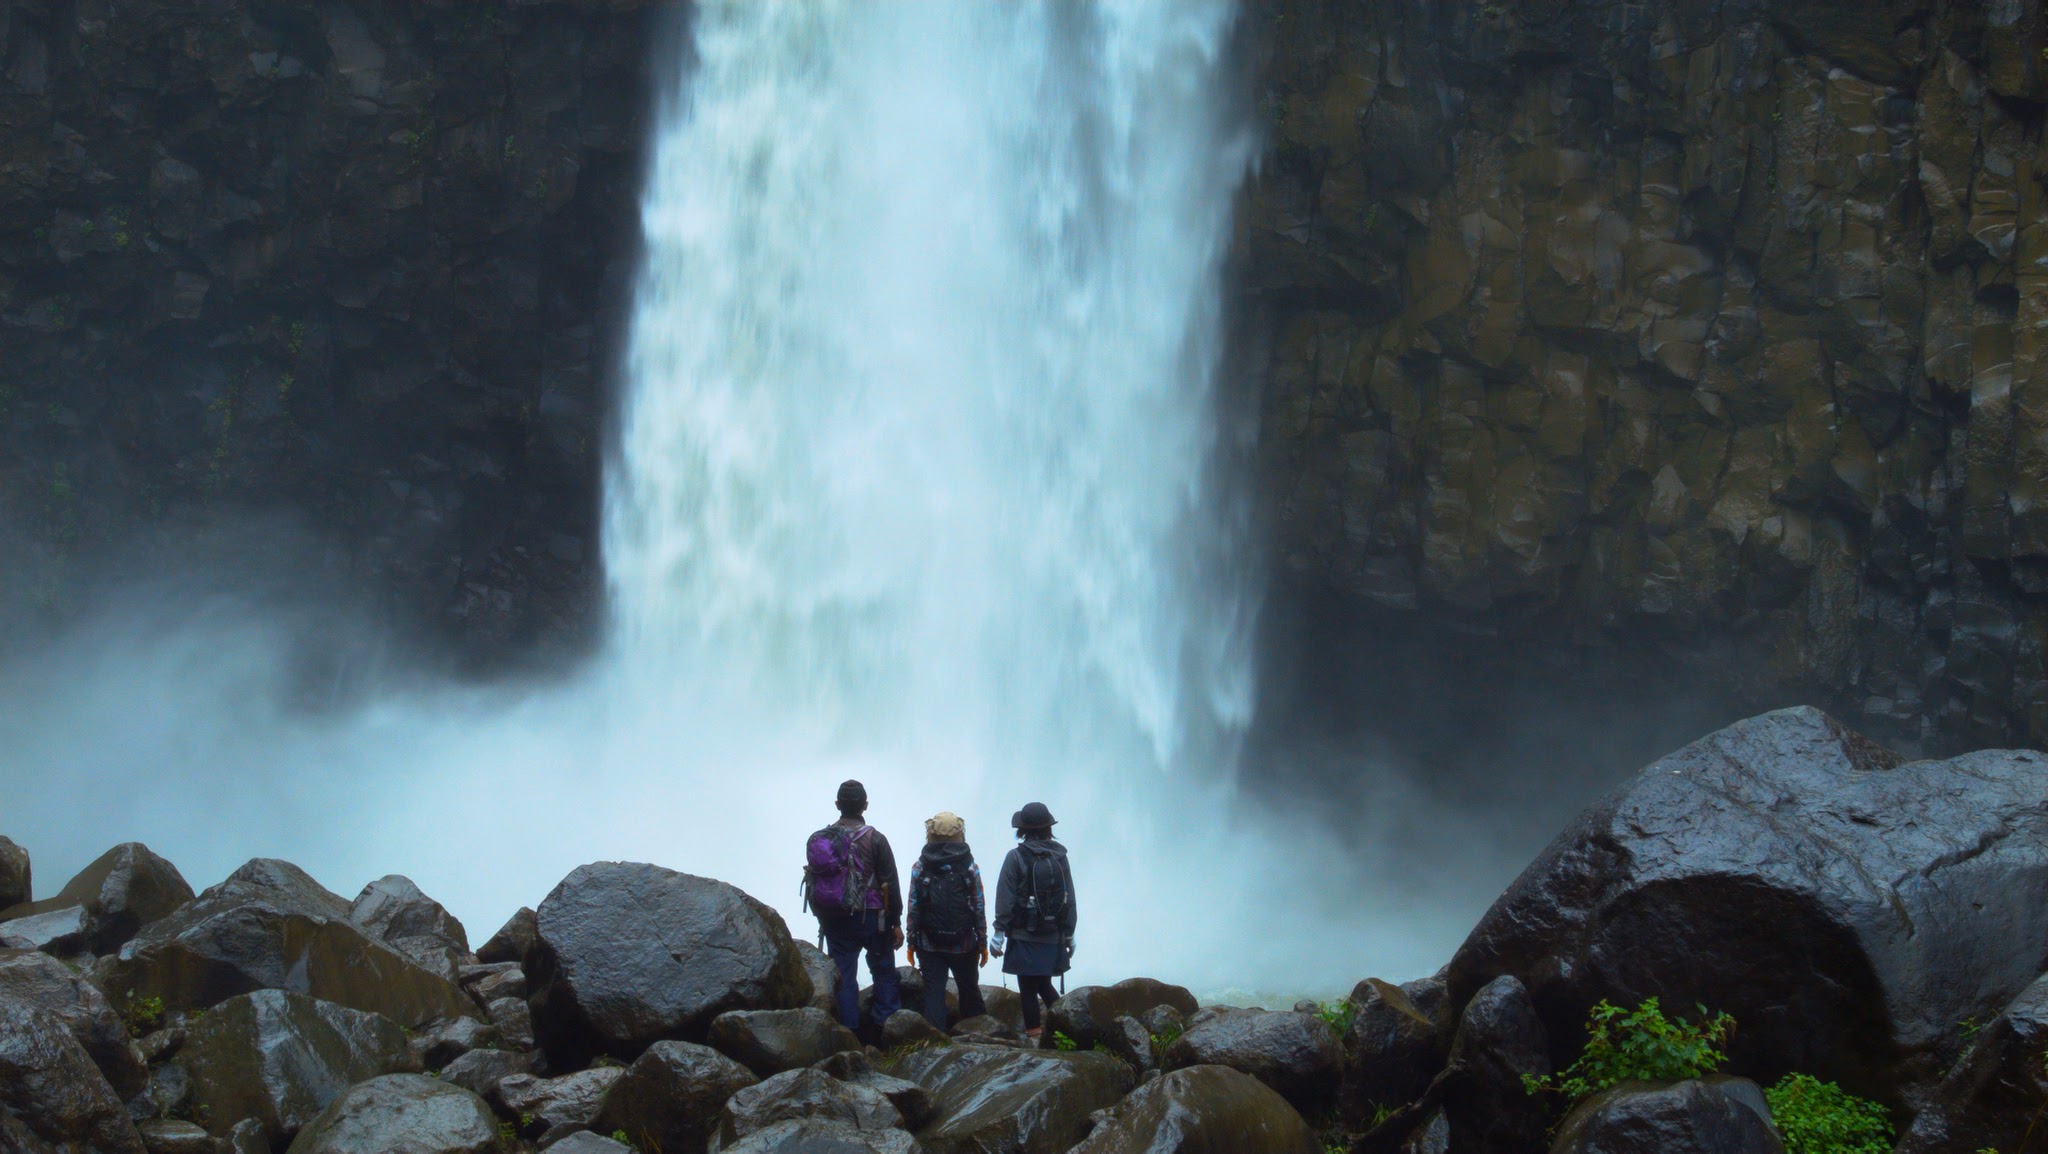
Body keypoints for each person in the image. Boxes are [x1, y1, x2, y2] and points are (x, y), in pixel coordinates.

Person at [802, 780, 903, 1033]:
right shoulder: (876, 839)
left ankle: (849, 1032)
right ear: (865, 805)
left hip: (835, 916)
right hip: (872, 916)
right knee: (883, 970)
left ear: (838, 805)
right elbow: (889, 881)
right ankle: (886, 1028)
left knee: (844, 975)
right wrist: (896, 921)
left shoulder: (822, 839)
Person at [990, 801, 1074, 1040]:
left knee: (1028, 987)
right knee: (1044, 984)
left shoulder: (1015, 857)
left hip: (1023, 933)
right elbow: (1070, 897)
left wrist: (999, 932)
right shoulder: (1060, 856)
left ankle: (1034, 1036)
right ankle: (1068, 1026)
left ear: (1022, 830)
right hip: (1052, 932)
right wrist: (1069, 932)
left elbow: (1005, 897)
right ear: (1049, 828)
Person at [904, 811, 988, 1029]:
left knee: (934, 992)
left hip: (929, 943)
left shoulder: (920, 866)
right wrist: (982, 941)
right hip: (965, 942)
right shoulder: (970, 866)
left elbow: (914, 906)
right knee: (969, 989)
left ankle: (936, 1044)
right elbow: (978, 905)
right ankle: (981, 1040)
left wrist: (911, 942)